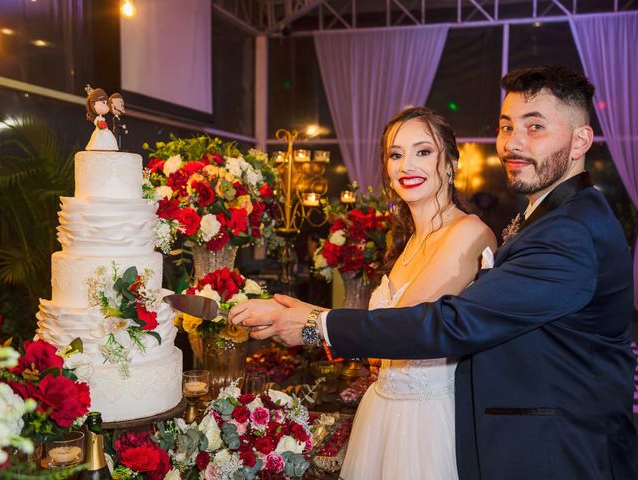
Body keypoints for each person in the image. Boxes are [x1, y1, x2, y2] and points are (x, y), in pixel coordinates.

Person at [230, 66, 638, 480]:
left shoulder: (569, 232)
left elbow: (454, 323)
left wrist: (316, 324)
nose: (513, 143)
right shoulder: (549, 216)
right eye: (506, 126)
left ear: (580, 141)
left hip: (559, 452)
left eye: (535, 127)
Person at [343, 107, 494, 479]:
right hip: (382, 413)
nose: (407, 165)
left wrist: (309, 322)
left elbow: (400, 326)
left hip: (426, 424)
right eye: (396, 154)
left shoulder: (468, 232)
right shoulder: (408, 241)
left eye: (423, 151)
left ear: (450, 163)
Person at [85, 86, 118, 151]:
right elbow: (97, 122)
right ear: (93, 105)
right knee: (98, 141)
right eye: (103, 103)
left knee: (108, 140)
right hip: (100, 133)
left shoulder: (102, 117)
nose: (106, 105)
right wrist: (99, 124)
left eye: (106, 103)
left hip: (105, 131)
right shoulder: (97, 118)